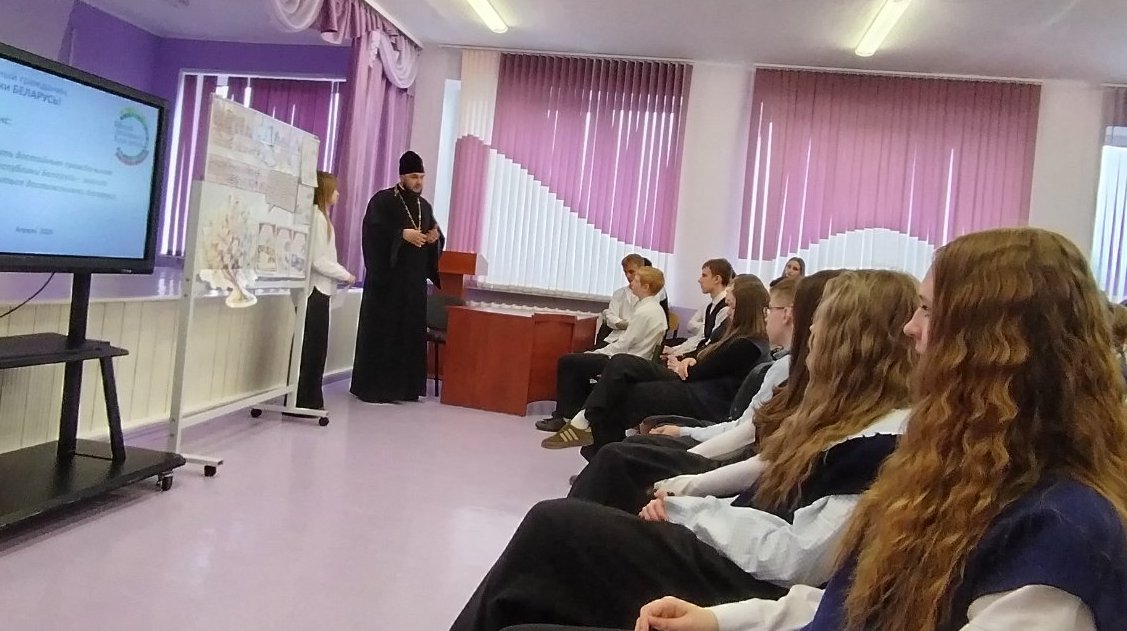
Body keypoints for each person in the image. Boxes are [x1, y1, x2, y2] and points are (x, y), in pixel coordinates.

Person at [628, 228, 1127, 631]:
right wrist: (722, 620)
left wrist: (692, 508)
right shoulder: (956, 469)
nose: (910, 328)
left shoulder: (1060, 531)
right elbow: (855, 603)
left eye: (928, 310)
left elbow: (807, 560)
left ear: (992, 347)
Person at [449, 270, 919, 631]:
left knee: (556, 524)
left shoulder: (878, 442)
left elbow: (796, 555)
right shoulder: (848, 415)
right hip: (741, 548)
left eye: (822, 321)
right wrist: (696, 500)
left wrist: (692, 508)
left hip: (746, 578)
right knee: (562, 531)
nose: (810, 329)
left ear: (853, 340)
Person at [540, 275, 770, 452]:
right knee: (620, 365)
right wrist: (688, 359)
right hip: (693, 383)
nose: (728, 311)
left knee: (623, 392)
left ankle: (589, 432)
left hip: (701, 395)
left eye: (732, 306)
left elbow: (702, 369)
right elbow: (706, 354)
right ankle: (587, 425)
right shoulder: (734, 332)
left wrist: (683, 364)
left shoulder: (747, 344)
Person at [350, 151, 444, 403]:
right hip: (387, 285)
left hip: (413, 285)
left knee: (408, 334)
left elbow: (433, 233)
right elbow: (372, 232)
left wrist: (434, 239)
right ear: (402, 176)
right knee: (385, 334)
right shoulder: (382, 200)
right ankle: (377, 388)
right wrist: (401, 234)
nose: (418, 182)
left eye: (421, 176)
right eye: (413, 176)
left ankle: (406, 389)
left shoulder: (424, 206)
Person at [537, 267, 670, 435]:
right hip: (635, 358)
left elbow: (624, 345)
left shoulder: (644, 312)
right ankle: (575, 415)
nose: (632, 284)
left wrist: (597, 353)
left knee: (568, 362)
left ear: (646, 286)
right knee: (578, 362)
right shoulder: (655, 309)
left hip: (627, 361)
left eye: (636, 281)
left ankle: (565, 417)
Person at [295, 172, 356, 410]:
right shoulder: (317, 219)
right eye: (334, 189)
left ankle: (310, 398)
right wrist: (345, 275)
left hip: (321, 291)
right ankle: (306, 400)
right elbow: (318, 260)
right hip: (315, 291)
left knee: (317, 347)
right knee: (313, 347)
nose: (338, 193)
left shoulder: (322, 218)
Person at [664, 259, 734, 357]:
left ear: (717, 279)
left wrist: (680, 354)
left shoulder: (725, 309)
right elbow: (700, 338)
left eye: (704, 275)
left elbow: (711, 343)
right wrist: (676, 350)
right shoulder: (710, 306)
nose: (699, 280)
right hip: (697, 353)